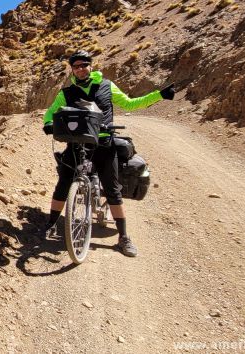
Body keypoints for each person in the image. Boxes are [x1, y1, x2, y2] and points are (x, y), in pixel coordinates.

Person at [39, 50, 175, 257]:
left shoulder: (106, 86)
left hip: (104, 143)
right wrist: (49, 124)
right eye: (76, 66)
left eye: (84, 64)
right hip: (77, 144)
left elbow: (130, 103)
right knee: (64, 182)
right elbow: (50, 113)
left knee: (112, 189)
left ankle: (123, 238)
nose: (81, 69)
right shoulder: (66, 93)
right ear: (72, 70)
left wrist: (159, 95)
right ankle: (50, 224)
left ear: (90, 66)